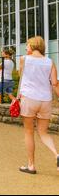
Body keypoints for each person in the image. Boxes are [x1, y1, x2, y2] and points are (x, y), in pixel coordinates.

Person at [16, 36, 59, 175]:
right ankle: (57, 155)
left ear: (33, 46)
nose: (26, 48)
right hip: (45, 100)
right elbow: (54, 83)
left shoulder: (24, 59)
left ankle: (31, 165)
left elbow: (20, 76)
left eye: (27, 45)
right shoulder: (50, 62)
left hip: (29, 98)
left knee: (29, 132)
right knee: (43, 132)